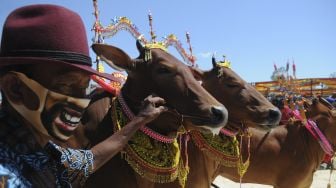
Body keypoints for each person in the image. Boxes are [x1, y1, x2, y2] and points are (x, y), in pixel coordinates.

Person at [0, 4, 167, 187]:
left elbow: (91, 160)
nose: (81, 101)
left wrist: (139, 120)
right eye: (67, 84)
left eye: (86, 87)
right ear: (15, 88)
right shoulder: (6, 174)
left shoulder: (43, 152)